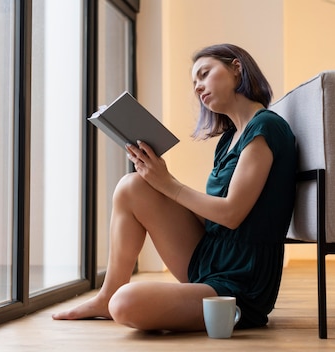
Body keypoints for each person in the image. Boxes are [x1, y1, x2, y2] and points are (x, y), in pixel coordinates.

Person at [52, 43, 297, 332]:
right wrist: (157, 182)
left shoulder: (266, 127)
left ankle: (118, 301)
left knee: (127, 303)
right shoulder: (228, 139)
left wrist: (169, 185)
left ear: (236, 68)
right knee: (133, 186)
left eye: (204, 74)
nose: (198, 88)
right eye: (195, 83)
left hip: (242, 278)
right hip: (210, 256)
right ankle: (106, 295)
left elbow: (232, 214)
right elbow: (218, 221)